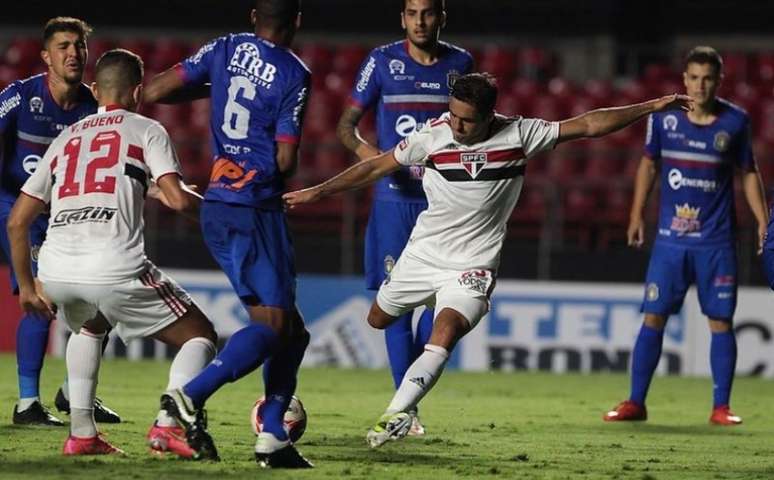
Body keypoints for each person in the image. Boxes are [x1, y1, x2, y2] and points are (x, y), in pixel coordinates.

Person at [284, 72, 694, 448]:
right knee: (377, 319)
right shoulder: (433, 136)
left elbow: (589, 124)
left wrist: (652, 106)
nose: (457, 126)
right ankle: (423, 328)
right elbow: (376, 166)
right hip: (423, 255)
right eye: (453, 115)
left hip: (472, 267)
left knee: (443, 333)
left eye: (466, 120)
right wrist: (317, 192)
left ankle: (397, 412)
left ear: (488, 117)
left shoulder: (520, 134)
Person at [8, 48, 218, 457]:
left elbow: (17, 221)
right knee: (201, 336)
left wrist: (27, 286)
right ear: (138, 91)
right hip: (112, 264)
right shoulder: (146, 129)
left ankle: (82, 434)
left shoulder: (67, 136)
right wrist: (220, 215)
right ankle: (167, 427)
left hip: (55, 269)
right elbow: (176, 199)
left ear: (93, 89)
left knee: (91, 325)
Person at [143, 0, 313, 468]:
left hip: (217, 204)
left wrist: (216, 89)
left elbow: (155, 88)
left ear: (253, 16)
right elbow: (284, 160)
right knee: (274, 327)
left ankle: (273, 437)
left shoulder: (223, 48)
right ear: (296, 21)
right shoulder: (294, 72)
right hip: (256, 208)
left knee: (292, 332)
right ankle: (186, 398)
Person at [603, 46, 767, 426]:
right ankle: (635, 403)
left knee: (721, 322)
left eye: (708, 78)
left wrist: (762, 220)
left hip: (716, 243)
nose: (700, 85)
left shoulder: (736, 122)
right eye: (693, 77)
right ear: (684, 80)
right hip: (670, 242)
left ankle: (721, 408)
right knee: (654, 318)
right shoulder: (665, 121)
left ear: (718, 81)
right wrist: (635, 214)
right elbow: (648, 165)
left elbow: (748, 173)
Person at [336, 0, 472, 435]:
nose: (420, 21)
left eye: (428, 13)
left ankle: (406, 401)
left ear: (441, 18)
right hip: (394, 201)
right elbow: (345, 126)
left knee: (441, 299)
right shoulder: (381, 61)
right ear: (402, 18)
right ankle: (406, 410)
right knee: (395, 309)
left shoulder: (461, 64)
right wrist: (376, 158)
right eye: (412, 13)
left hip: (444, 204)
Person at [0, 16, 120, 426]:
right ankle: (27, 404)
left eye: (79, 47)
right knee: (40, 298)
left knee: (106, 295)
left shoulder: (94, 109)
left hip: (68, 215)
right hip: (17, 207)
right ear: (46, 57)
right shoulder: (19, 97)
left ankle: (74, 393)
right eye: (64, 46)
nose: (73, 53)